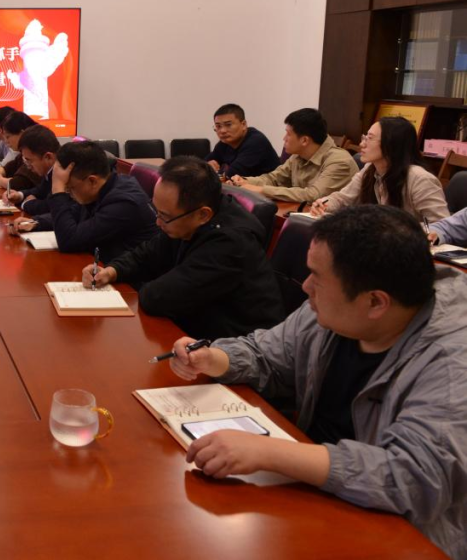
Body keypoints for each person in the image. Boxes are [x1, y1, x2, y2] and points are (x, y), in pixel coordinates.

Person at [169, 205, 467, 559]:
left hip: (401, 534)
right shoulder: (335, 310)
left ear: (375, 302)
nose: (305, 286)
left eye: (316, 277)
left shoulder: (452, 360)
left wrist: (268, 452)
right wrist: (214, 357)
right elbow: (269, 354)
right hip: (314, 495)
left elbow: (413, 479)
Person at [81, 156, 282, 339]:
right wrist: (111, 271)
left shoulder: (231, 244)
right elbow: (148, 253)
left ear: (203, 214)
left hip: (237, 348)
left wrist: (146, 283)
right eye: (157, 211)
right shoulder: (187, 220)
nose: (158, 222)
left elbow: (157, 298)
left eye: (165, 216)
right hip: (197, 331)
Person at [13, 140, 157, 257]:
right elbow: (74, 212)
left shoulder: (123, 203)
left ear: (92, 181)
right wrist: (36, 222)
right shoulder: (103, 186)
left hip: (132, 281)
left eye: (70, 188)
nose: (69, 194)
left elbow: (68, 241)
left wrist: (58, 190)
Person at [311, 116, 448, 223]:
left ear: (391, 144)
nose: (361, 144)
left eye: (369, 139)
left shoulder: (420, 179)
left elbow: (441, 226)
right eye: (364, 137)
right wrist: (323, 205)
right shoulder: (370, 169)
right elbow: (342, 199)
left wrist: (404, 228)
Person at [230, 108, 357, 203]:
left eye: (288, 134)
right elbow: (274, 179)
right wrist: (245, 181)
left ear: (304, 140)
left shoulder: (339, 161)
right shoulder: (298, 155)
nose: (284, 138)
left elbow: (314, 195)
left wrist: (262, 190)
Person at [205, 103, 281, 178]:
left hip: (268, 185)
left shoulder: (256, 142)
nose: (222, 131)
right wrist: (208, 164)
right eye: (218, 126)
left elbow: (232, 174)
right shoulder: (225, 142)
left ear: (244, 124)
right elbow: (201, 167)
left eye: (228, 125)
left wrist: (210, 171)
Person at [0, 111, 42, 192]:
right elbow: (7, 169)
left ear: (22, 133)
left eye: (8, 137)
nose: (6, 142)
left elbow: (17, 184)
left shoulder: (36, 148)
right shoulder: (24, 150)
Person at [3, 124, 60, 218]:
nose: (28, 167)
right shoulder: (50, 170)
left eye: (29, 161)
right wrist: (19, 195)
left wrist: (26, 204)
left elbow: (51, 206)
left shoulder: (63, 172)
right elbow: (40, 190)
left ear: (48, 157)